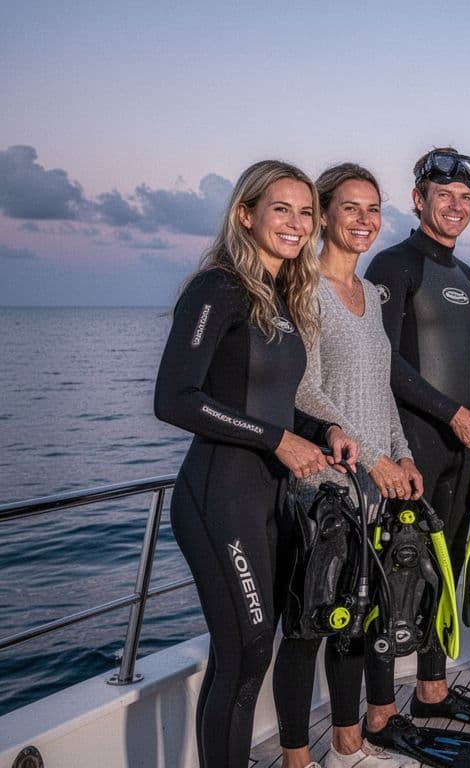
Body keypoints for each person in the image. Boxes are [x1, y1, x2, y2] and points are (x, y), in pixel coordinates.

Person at [154, 160, 357, 768]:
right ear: (246, 215)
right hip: (219, 497)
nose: (296, 224)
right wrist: (276, 439)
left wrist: (324, 429)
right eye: (281, 210)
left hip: (267, 500)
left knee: (246, 655)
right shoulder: (217, 288)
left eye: (305, 213)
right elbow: (174, 399)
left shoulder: (282, 298)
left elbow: (273, 401)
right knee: (245, 653)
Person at [273, 163, 423, 768]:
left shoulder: (371, 296)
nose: (364, 221)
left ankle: (347, 747)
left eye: (373, 210)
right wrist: (375, 455)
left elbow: (380, 387)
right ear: (325, 214)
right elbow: (304, 393)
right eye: (350, 208)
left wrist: (403, 455)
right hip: (319, 486)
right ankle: (295, 760)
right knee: (307, 627)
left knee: (353, 620)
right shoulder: (303, 292)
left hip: (370, 488)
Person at [364, 147, 470, 719]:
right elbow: (382, 359)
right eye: (444, 196)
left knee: (445, 571)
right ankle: (380, 711)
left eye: (466, 198)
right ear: (419, 199)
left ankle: (431, 692)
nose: (456, 207)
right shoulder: (393, 265)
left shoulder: (467, 275)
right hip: (409, 445)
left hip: (460, 451)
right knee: (398, 574)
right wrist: (453, 414)